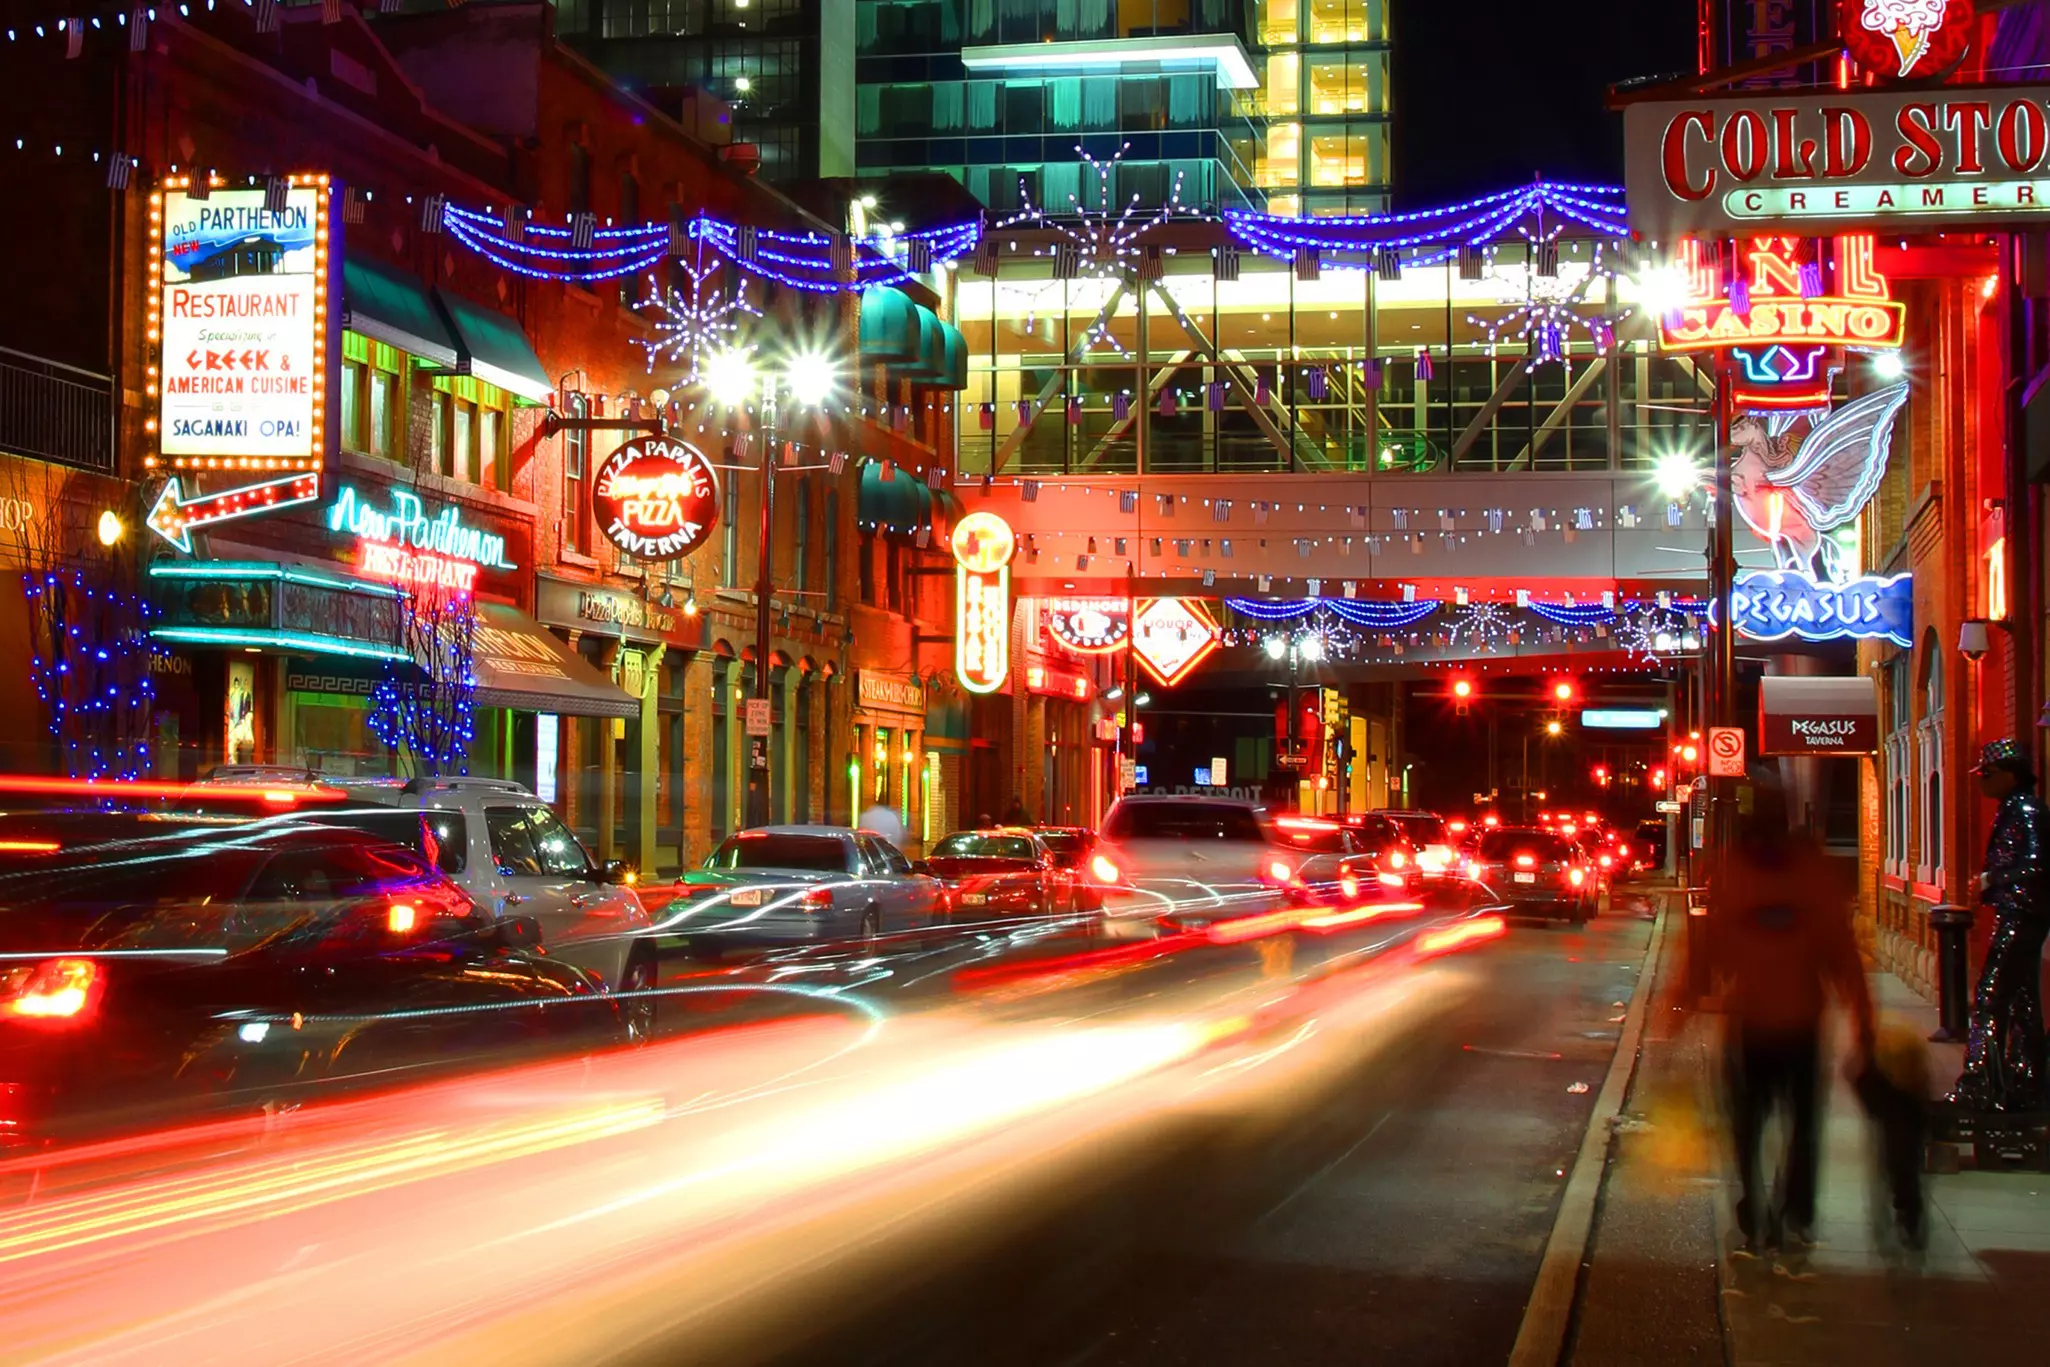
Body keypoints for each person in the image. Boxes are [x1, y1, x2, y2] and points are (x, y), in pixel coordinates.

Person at [1706, 771, 1874, 1253]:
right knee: (1799, 1125)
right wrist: (1863, 1019)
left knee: (1750, 1123)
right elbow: (1842, 956)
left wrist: (1683, 1000)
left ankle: (1761, 1205)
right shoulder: (1812, 875)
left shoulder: (1738, 872)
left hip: (1760, 1026)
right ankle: (1791, 1208)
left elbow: (1710, 949)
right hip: (1794, 1024)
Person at [1947, 738, 2049, 1112]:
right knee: (2021, 1000)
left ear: (2010, 774)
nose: (1981, 781)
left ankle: (1979, 1081)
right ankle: (2025, 1080)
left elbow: (2038, 862)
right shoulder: (2014, 809)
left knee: (1990, 994)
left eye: (1987, 774)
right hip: (2017, 912)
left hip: (2022, 913)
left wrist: (1995, 879)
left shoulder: (2026, 810)